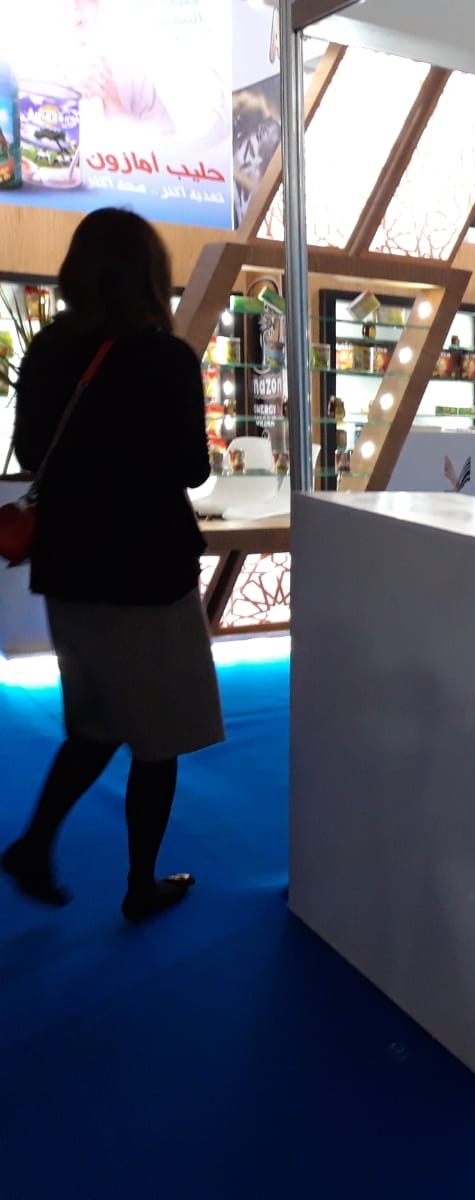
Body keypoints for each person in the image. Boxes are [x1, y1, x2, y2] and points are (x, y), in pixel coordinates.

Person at [2, 207, 222, 921]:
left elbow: (31, 454)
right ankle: (138, 886)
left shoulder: (46, 350)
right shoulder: (165, 358)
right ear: (149, 274)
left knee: (96, 723)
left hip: (68, 567)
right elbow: (192, 469)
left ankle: (36, 843)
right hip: (147, 575)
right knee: (159, 741)